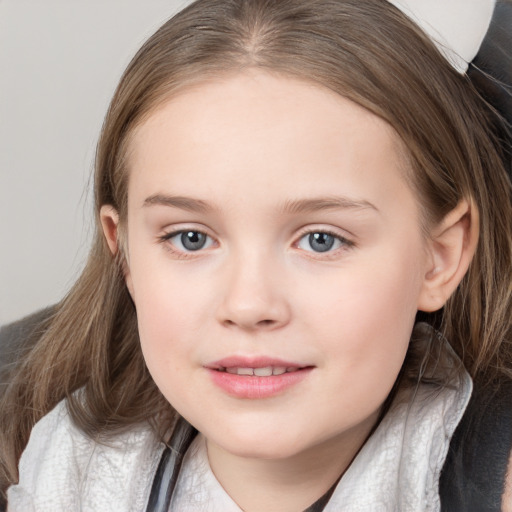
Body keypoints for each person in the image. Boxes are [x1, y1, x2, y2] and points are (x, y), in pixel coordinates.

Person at [1, 0, 511, 510]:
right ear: (125, 254)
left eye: (321, 240)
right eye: (190, 238)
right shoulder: (61, 472)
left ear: (440, 256)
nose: (248, 305)